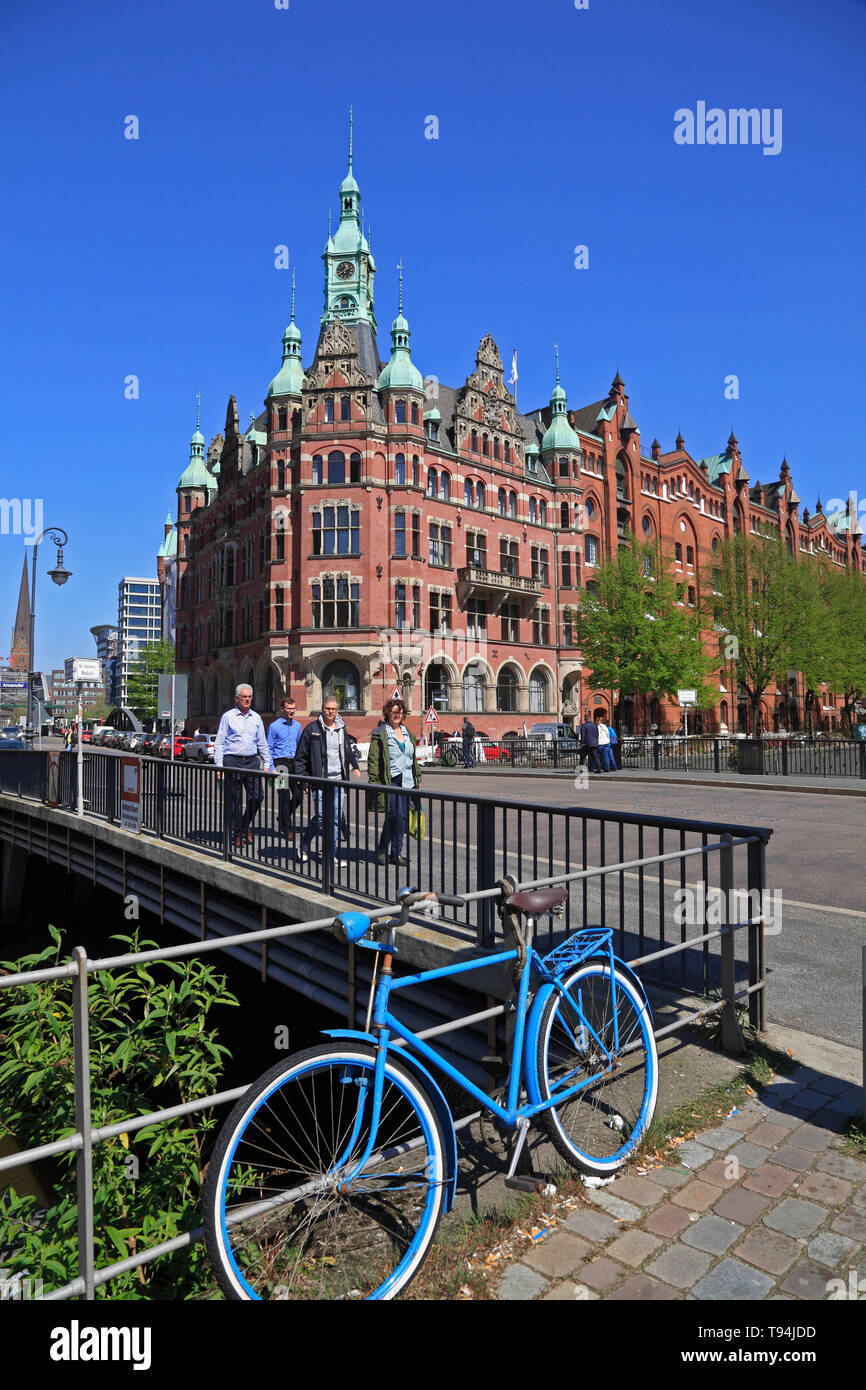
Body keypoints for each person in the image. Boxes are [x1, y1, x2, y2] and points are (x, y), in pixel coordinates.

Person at [294, 697, 360, 863]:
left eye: (334, 709)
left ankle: (330, 853)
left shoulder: (341, 729)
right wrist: (304, 780)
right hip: (320, 782)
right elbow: (301, 757)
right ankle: (304, 844)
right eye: (328, 708)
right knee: (323, 817)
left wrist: (354, 766)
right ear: (322, 709)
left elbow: (347, 750)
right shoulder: (312, 729)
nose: (331, 712)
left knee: (336, 819)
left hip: (338, 781)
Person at [213, 683, 274, 848]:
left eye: (249, 697)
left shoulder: (256, 718)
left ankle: (244, 825)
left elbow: (262, 742)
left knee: (257, 796)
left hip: (252, 761)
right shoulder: (228, 716)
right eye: (244, 697)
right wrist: (219, 767)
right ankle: (238, 833)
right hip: (232, 760)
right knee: (235, 800)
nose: (247, 700)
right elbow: (219, 743)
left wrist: (267, 764)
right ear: (237, 698)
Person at [367, 697, 421, 866]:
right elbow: (373, 759)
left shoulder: (408, 734)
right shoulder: (380, 733)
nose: (396, 715)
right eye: (393, 712)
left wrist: (417, 777)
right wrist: (374, 782)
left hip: (407, 782)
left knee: (402, 818)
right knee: (394, 816)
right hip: (391, 781)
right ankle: (384, 849)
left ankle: (394, 854)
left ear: (403, 714)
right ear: (387, 714)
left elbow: (413, 758)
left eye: (400, 712)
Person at [267, 695, 303, 840]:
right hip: (280, 763)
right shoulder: (274, 726)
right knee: (284, 795)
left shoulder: (297, 726)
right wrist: (270, 767)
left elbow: (300, 746)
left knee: (299, 796)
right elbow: (268, 748)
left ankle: (282, 817)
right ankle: (287, 827)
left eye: (293, 709)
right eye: (289, 709)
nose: (291, 711)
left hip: (294, 762)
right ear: (282, 709)